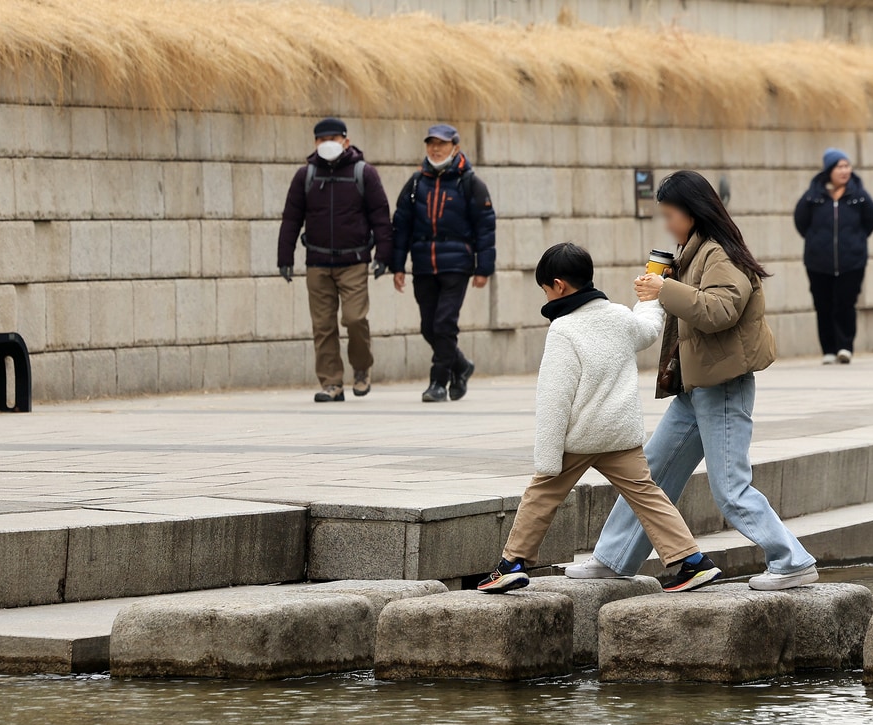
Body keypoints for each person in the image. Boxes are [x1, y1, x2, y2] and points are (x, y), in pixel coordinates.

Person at [566, 171, 818, 591]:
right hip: (696, 388)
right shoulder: (696, 252)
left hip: (722, 388)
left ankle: (792, 560)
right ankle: (613, 558)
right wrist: (667, 284)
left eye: (670, 215)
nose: (667, 224)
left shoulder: (718, 253)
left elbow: (720, 310)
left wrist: (665, 288)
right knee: (650, 475)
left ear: (692, 212)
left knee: (731, 488)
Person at [478, 244, 720, 594]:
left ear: (558, 285)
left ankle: (512, 564)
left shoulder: (563, 330)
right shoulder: (619, 316)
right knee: (648, 496)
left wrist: (547, 458)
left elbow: (554, 399)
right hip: (621, 433)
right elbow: (649, 329)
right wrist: (651, 295)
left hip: (581, 437)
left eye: (545, 290)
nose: (546, 296)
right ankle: (693, 561)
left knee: (541, 495)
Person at [278, 117, 393, 403]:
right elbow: (291, 218)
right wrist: (285, 255)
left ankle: (362, 368)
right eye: (321, 139)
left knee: (354, 319)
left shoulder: (364, 173)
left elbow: (380, 216)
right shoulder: (305, 176)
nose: (327, 144)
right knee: (323, 326)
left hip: (353, 262)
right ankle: (331, 383)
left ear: (346, 141)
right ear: (314, 143)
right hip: (317, 263)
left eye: (333, 138)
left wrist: (384, 254)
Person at [390, 124, 497, 403]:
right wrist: (397, 266)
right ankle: (461, 365)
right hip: (423, 264)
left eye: (442, 144)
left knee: (444, 324)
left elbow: (485, 227)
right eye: (431, 144)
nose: (436, 149)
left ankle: (438, 382)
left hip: (457, 265)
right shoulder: (416, 182)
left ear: (455, 147)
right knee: (429, 327)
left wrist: (483, 268)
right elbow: (401, 226)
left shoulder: (470, 183)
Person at [794, 147, 873, 364]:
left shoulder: (859, 195)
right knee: (823, 305)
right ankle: (829, 349)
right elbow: (801, 221)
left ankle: (845, 347)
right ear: (829, 170)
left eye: (847, 166)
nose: (844, 171)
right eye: (839, 167)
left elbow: (871, 220)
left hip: (852, 261)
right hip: (818, 262)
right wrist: (816, 241)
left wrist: (856, 241)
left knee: (846, 304)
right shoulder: (813, 195)